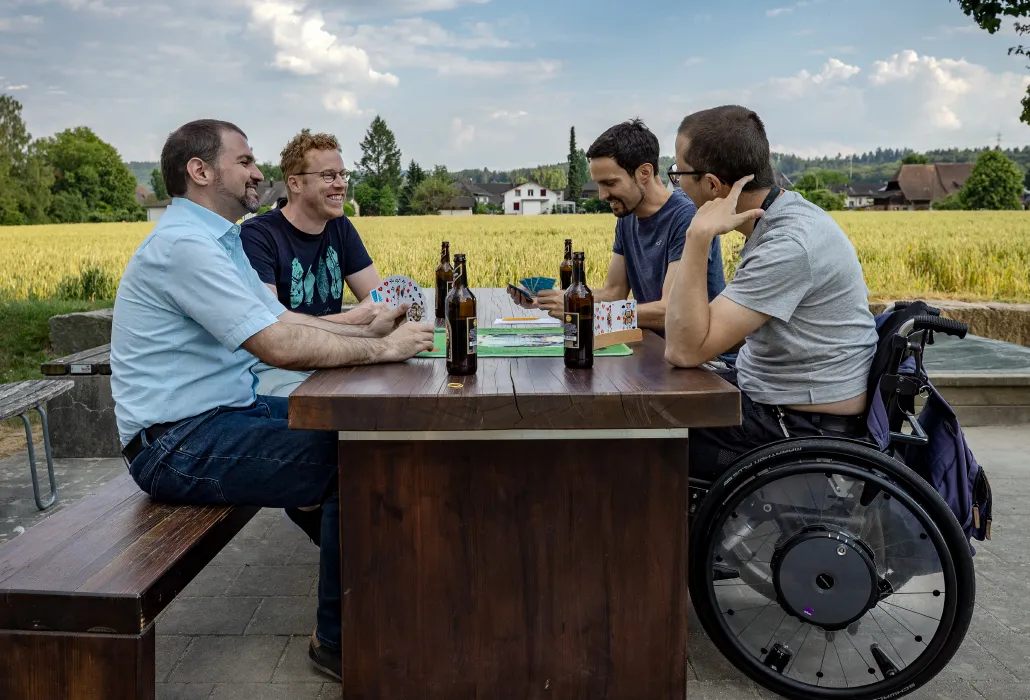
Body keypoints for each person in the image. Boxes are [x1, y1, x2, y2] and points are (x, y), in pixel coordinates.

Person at [109, 119, 435, 682]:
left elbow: (281, 318)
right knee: (351, 463)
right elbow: (279, 344)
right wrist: (380, 353)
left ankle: (373, 584)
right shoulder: (185, 247)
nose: (258, 172)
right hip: (174, 443)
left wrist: (371, 332)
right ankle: (340, 638)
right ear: (201, 171)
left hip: (219, 415)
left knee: (364, 437)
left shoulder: (220, 238)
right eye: (245, 161)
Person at [662, 105, 878, 479]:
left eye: (678, 172)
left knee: (652, 436)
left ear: (714, 185)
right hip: (780, 399)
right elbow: (701, 331)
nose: (675, 182)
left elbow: (683, 349)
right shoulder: (783, 217)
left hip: (803, 425)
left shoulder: (789, 245)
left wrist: (697, 237)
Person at [508, 118, 726, 336]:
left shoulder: (685, 216)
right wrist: (555, 298)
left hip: (706, 360)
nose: (602, 195)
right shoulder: (627, 216)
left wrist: (581, 309)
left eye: (610, 183)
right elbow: (614, 292)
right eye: (598, 185)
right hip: (656, 348)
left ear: (644, 173)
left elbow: (668, 310)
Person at [241, 130, 384, 397]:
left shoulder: (339, 226)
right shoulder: (258, 236)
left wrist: (365, 319)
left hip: (337, 357)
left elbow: (378, 298)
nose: (341, 184)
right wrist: (355, 321)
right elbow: (273, 328)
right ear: (295, 184)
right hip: (279, 371)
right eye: (328, 176)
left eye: (343, 175)